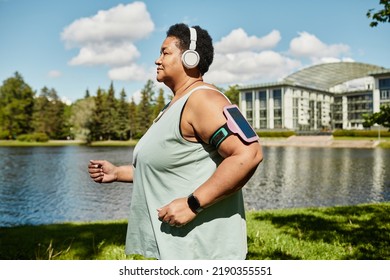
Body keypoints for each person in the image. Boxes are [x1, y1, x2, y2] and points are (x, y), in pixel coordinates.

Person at [88, 23, 263, 260]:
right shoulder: (173, 107)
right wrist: (118, 173)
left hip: (201, 251)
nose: (157, 60)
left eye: (165, 52)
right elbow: (169, 167)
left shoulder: (204, 100)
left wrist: (193, 204)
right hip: (177, 249)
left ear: (190, 58)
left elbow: (248, 154)